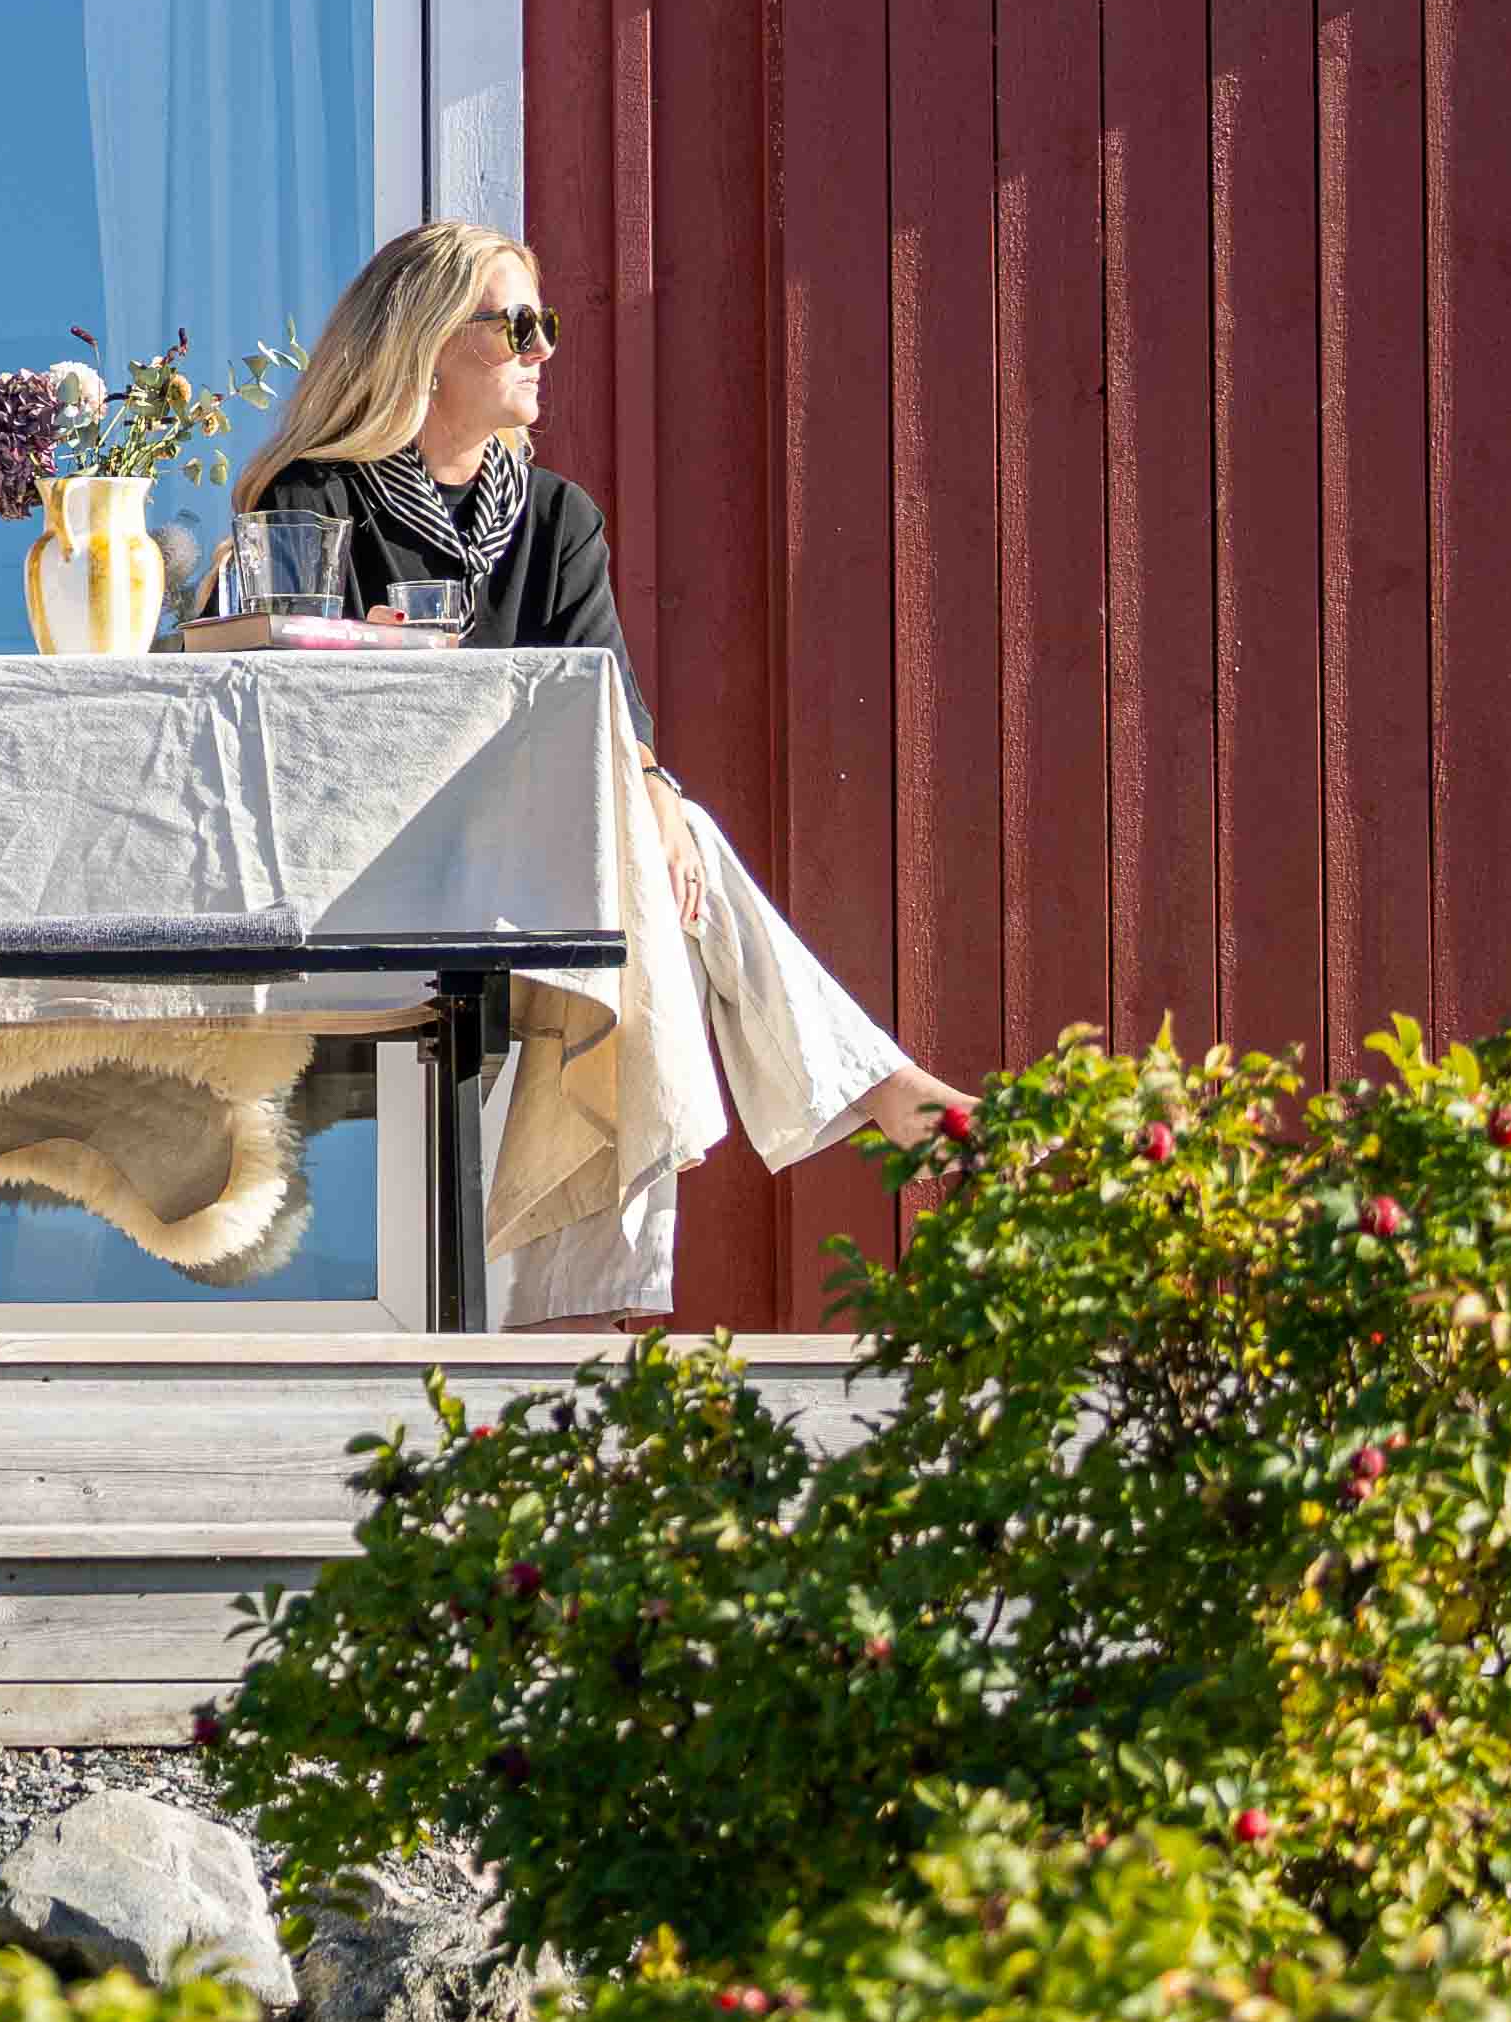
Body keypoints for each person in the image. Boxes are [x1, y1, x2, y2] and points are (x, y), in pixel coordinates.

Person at [235, 218, 964, 1285]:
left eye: (547, 324)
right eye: (517, 323)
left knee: (675, 847)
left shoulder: (555, 517)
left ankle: (848, 1108)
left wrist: (657, 799)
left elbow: (607, 704)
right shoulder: (311, 499)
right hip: (362, 865)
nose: (544, 348)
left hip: (521, 868)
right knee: (663, 852)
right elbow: (277, 713)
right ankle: (871, 1093)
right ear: (429, 342)